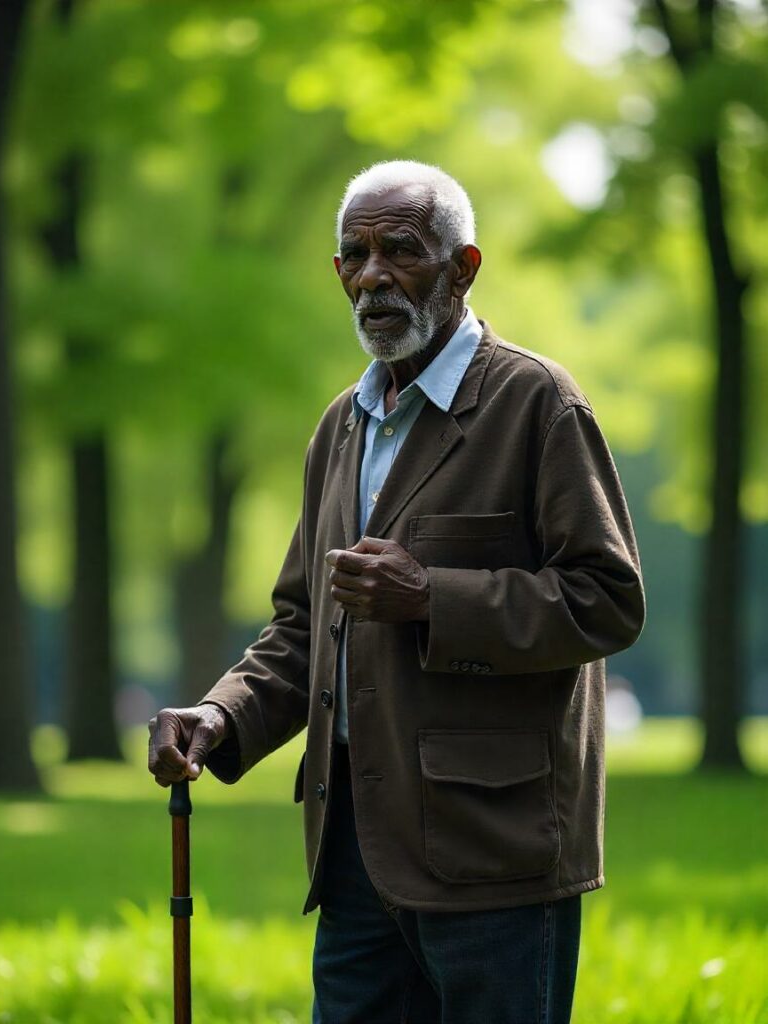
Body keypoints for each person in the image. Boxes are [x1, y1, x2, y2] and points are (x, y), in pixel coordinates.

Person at [148, 160, 646, 1023]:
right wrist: (222, 714)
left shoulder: (537, 402)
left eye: (402, 251)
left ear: (463, 268)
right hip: (353, 853)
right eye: (356, 255)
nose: (374, 274)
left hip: (494, 852)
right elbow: (306, 625)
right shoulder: (341, 425)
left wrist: (432, 598)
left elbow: (606, 598)